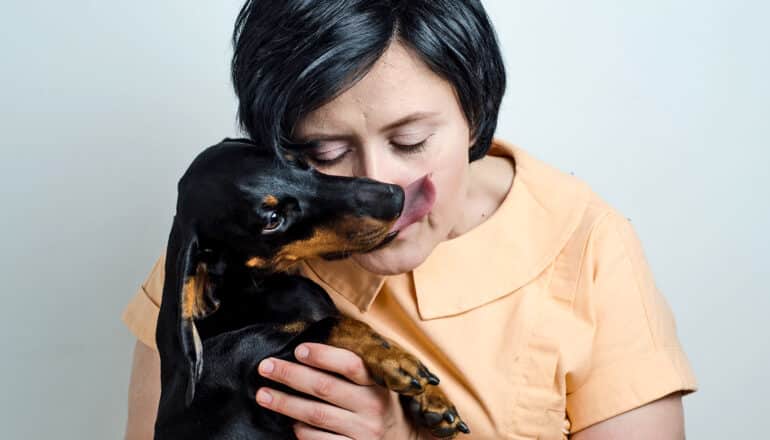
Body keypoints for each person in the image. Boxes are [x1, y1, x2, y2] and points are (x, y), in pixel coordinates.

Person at [122, 1, 698, 438]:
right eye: (325, 153)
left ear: (473, 115)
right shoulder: (231, 238)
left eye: (411, 140)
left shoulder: (585, 247)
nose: (379, 187)